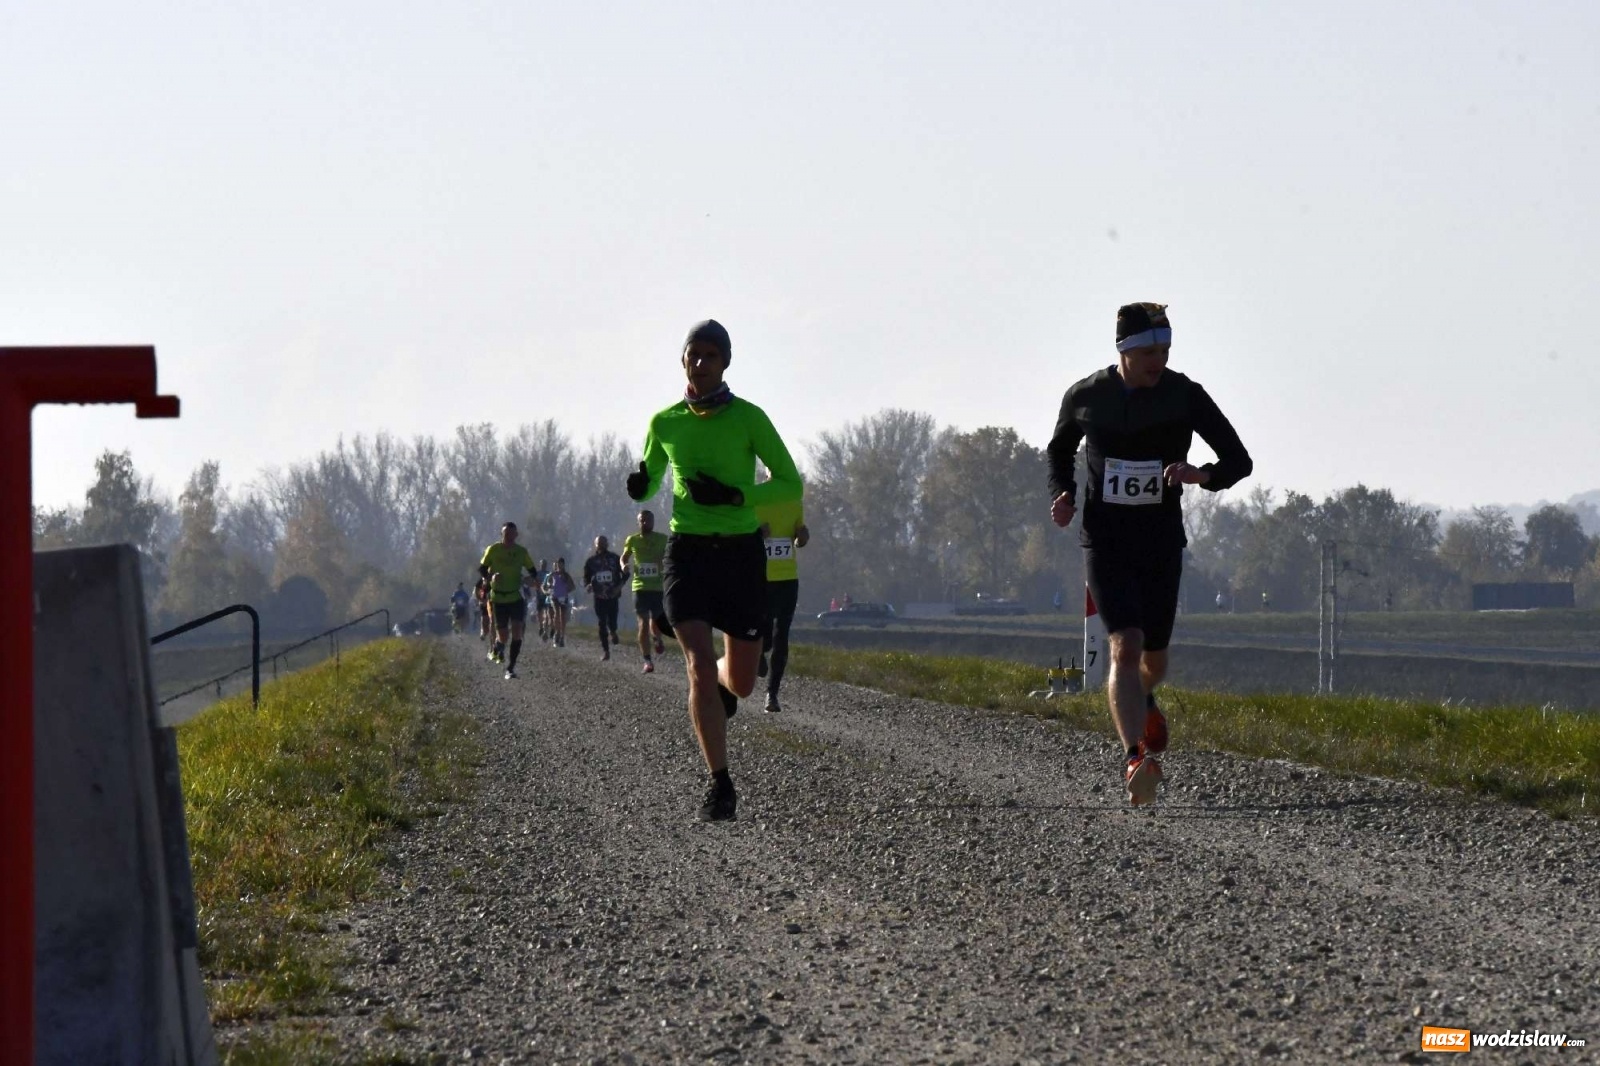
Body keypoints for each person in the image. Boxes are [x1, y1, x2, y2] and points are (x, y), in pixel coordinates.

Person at [1047, 302, 1252, 806]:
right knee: (1125, 645)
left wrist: (1200, 475)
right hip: (1106, 541)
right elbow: (1059, 448)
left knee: (1153, 660)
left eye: (1165, 350)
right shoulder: (1087, 396)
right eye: (1147, 352)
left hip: (1160, 542)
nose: (1158, 360)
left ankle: (1146, 699)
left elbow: (1239, 461)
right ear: (1123, 351)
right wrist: (1064, 492)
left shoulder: (1184, 395)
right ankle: (1136, 755)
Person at [625, 318, 802, 821]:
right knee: (698, 666)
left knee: (741, 684)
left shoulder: (749, 419)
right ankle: (719, 784)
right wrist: (639, 483)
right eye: (693, 355)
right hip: (688, 555)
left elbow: (790, 484)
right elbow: (649, 478)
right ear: (682, 360)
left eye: (710, 356)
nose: (700, 363)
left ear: (725, 363)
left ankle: (726, 685)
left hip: (741, 555)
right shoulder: (665, 423)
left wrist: (736, 495)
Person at [756, 492, 808, 713]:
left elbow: (799, 538)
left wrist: (802, 537)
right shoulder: (756, 499)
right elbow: (738, 536)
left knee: (781, 636)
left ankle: (772, 694)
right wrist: (756, 534)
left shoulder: (794, 503)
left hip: (787, 580)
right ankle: (758, 653)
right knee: (765, 637)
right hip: (760, 579)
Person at [479, 522, 541, 680]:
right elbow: (482, 569)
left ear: (516, 535)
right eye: (506, 534)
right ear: (502, 535)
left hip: (515, 596)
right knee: (504, 635)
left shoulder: (521, 552)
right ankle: (498, 646)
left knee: (517, 632)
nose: (509, 537)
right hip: (498, 598)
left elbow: (532, 570)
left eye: (511, 534)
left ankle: (510, 667)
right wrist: (490, 577)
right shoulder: (493, 549)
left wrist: (535, 581)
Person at [621, 509, 672, 673]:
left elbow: (670, 557)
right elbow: (623, 557)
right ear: (638, 522)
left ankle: (657, 638)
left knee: (656, 620)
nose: (645, 523)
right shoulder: (632, 540)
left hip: (657, 587)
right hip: (640, 587)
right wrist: (624, 566)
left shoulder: (662, 539)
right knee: (642, 624)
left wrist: (664, 563)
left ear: (653, 522)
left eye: (648, 520)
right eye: (642, 520)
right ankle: (647, 661)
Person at [583, 536, 626, 660]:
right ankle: (605, 650)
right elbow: (586, 578)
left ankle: (613, 631)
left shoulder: (615, 558)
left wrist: (619, 586)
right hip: (599, 596)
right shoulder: (591, 562)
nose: (601, 545)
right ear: (595, 545)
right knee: (601, 623)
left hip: (612, 595)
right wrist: (588, 586)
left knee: (612, 621)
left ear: (607, 544)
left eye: (603, 543)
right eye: (598, 543)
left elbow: (625, 574)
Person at [547, 557, 577, 647]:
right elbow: (548, 582)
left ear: (563, 565)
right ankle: (557, 633)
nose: (559, 566)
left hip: (563, 597)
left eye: (561, 564)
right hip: (555, 597)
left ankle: (562, 636)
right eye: (558, 564)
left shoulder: (566, 575)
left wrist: (567, 590)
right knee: (556, 614)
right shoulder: (553, 574)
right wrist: (550, 586)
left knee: (563, 617)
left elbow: (573, 586)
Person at [474, 576, 492, 641]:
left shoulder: (497, 577)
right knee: (485, 622)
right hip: (485, 603)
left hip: (495, 602)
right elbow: (476, 589)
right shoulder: (482, 579)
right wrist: (481, 599)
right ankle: (483, 632)